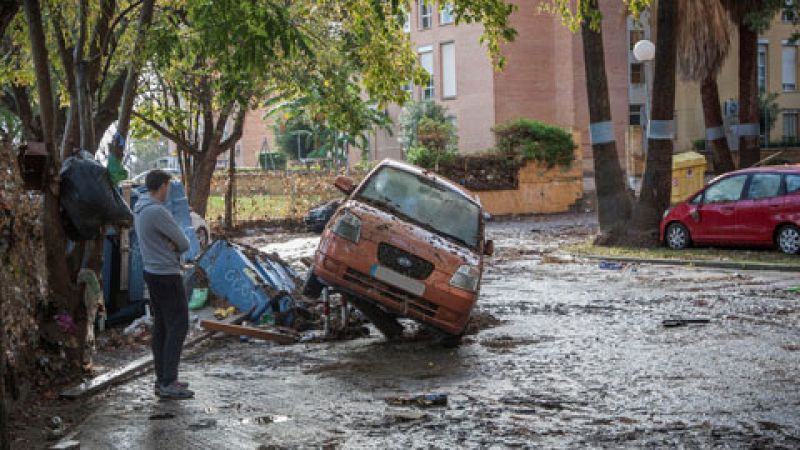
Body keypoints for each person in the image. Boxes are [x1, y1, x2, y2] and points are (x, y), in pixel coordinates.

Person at [133, 170, 193, 399]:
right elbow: (185, 242)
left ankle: (163, 379)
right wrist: (174, 244)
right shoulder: (157, 211)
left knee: (161, 327)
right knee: (178, 325)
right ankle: (169, 380)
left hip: (151, 272)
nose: (169, 190)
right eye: (168, 186)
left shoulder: (140, 208)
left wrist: (172, 243)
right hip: (167, 275)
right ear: (163, 186)